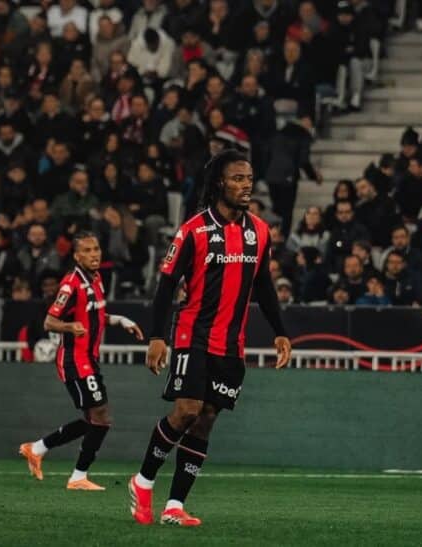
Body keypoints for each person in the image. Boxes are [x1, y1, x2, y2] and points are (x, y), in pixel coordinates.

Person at [128, 150, 291, 527]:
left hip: (231, 343)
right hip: (193, 334)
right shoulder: (194, 230)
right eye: (237, 178)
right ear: (220, 182)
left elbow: (263, 285)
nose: (246, 185)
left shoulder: (259, 231)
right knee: (187, 410)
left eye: (249, 179)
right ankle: (143, 480)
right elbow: (166, 284)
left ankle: (174, 506)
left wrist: (281, 331)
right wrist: (157, 337)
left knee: (206, 419)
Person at [18, 231, 143, 490]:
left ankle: (37, 448)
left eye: (96, 249)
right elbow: (49, 321)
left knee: (93, 419)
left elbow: (95, 315)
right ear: (76, 256)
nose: (93, 254)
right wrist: (69, 327)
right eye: (87, 250)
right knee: (102, 417)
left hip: (89, 358)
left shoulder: (96, 279)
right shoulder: (70, 284)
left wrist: (120, 320)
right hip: (75, 360)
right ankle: (78, 476)